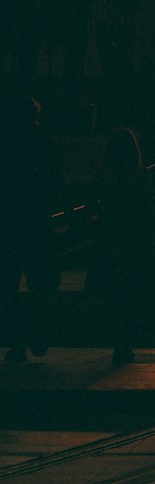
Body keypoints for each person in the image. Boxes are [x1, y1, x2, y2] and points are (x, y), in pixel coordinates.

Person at [88, 127, 155, 366]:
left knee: (112, 292)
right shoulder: (141, 176)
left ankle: (117, 338)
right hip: (135, 239)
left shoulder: (102, 176)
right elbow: (150, 210)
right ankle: (126, 342)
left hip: (108, 238)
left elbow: (92, 206)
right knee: (132, 290)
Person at [0, 91, 61, 363]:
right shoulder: (45, 144)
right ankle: (38, 328)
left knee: (8, 286)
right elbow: (55, 184)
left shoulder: (5, 146)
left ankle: (17, 341)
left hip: (8, 222)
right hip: (37, 221)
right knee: (41, 283)